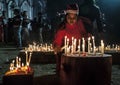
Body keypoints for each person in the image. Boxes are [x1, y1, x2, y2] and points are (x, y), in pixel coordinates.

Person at [53, 4, 91, 74]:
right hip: (66, 53)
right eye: (69, 17)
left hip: (79, 52)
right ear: (65, 17)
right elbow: (57, 40)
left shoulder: (80, 24)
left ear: (77, 18)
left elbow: (83, 34)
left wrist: (86, 36)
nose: (71, 20)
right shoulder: (63, 27)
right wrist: (57, 46)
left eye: (74, 18)